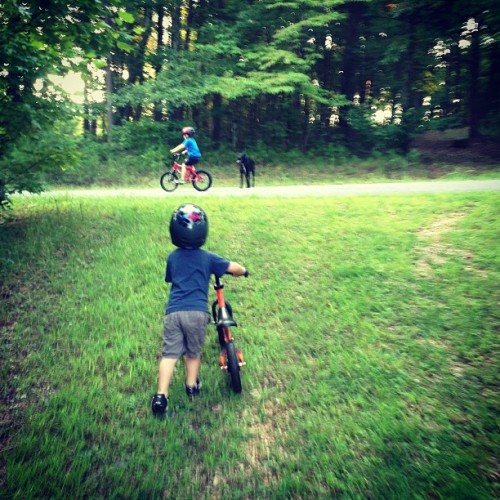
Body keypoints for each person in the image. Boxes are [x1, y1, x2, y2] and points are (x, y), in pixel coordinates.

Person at [151, 204, 247, 416]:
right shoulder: (208, 258)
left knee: (169, 354)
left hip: (174, 313)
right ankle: (191, 386)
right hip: (197, 313)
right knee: (193, 353)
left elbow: (171, 278)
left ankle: (161, 395)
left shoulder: (172, 258)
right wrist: (244, 271)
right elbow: (234, 267)